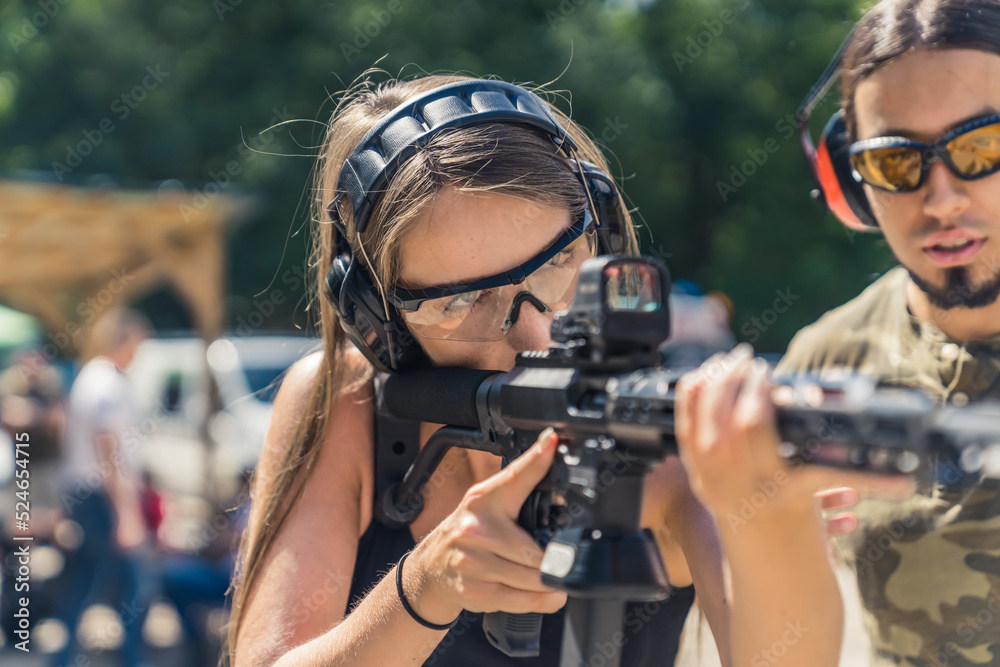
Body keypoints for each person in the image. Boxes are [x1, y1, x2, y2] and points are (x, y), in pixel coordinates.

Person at [226, 74, 733, 667]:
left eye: (561, 261)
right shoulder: (348, 402)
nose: (535, 336)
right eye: (459, 302)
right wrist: (427, 585)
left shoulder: (664, 451)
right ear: (381, 325)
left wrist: (772, 522)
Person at [675, 1, 1000, 666]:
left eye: (983, 146)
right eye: (894, 162)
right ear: (848, 180)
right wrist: (762, 525)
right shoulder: (826, 367)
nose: (940, 199)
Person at [52, 307, 153, 667]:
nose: (138, 353)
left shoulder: (93, 377)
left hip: (91, 495)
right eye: (137, 344)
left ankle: (60, 659)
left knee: (85, 582)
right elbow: (107, 450)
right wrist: (127, 513)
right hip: (101, 498)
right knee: (136, 587)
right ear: (123, 340)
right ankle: (134, 660)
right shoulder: (105, 382)